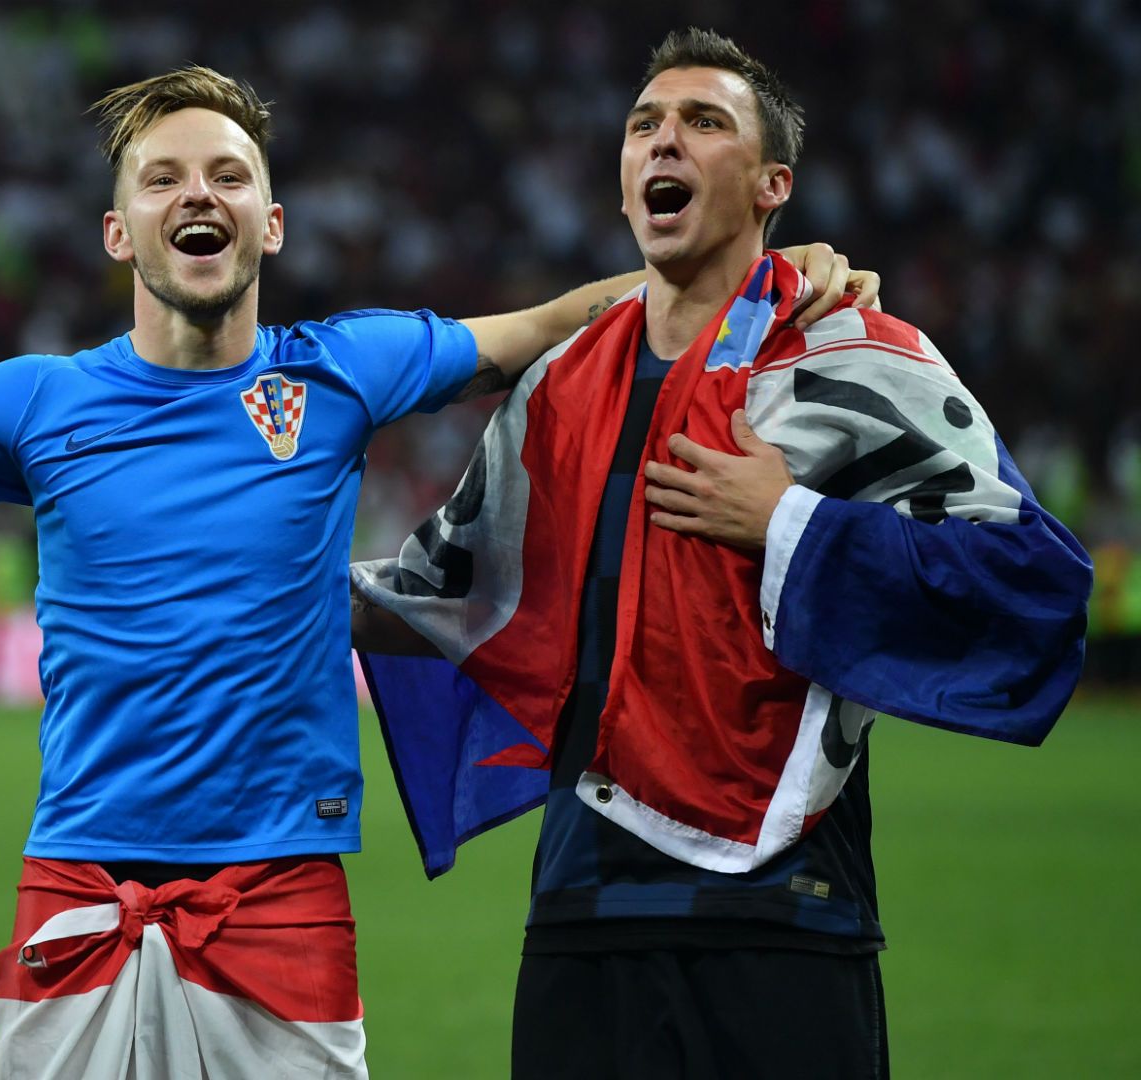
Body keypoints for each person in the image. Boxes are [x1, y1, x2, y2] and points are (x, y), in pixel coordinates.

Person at [0, 69, 872, 1078]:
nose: (194, 194)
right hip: (78, 891)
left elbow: (556, 324)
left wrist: (764, 266)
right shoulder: (32, 404)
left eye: (225, 176)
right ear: (120, 235)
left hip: (280, 896)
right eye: (161, 178)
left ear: (269, 226)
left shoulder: (342, 370)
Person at [351, 29, 1092, 1079]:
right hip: (582, 908)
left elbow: (1039, 587)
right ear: (621, 186)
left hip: (786, 912)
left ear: (770, 184)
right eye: (644, 124)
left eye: (705, 123)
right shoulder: (558, 387)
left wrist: (791, 522)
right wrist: (247, 575)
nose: (666, 140)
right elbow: (442, 594)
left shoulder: (860, 359)